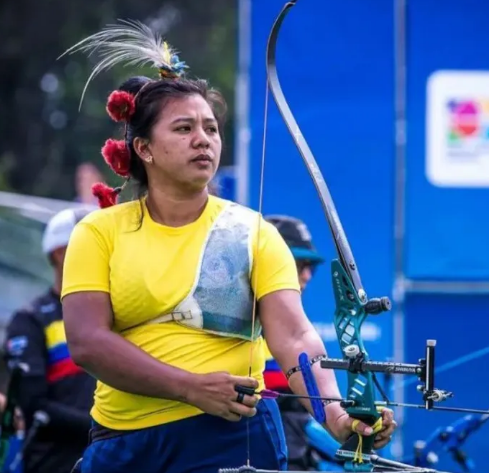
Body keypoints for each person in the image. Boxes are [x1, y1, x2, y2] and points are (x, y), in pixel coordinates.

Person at [59, 21, 397, 473]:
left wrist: (334, 413)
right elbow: (87, 342)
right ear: (144, 148)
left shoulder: (251, 232)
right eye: (183, 128)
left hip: (231, 437)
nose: (204, 139)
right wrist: (189, 387)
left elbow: (294, 335)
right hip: (124, 443)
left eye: (211, 128)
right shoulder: (99, 232)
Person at [4, 206, 97, 473]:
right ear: (60, 253)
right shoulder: (31, 319)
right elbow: (34, 406)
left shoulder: (117, 312)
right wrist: (104, 425)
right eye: (92, 244)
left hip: (113, 457)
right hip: (55, 464)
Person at [263, 215, 342, 471]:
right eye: (298, 264)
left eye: (310, 266)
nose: (306, 275)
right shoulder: (241, 332)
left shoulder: (294, 333)